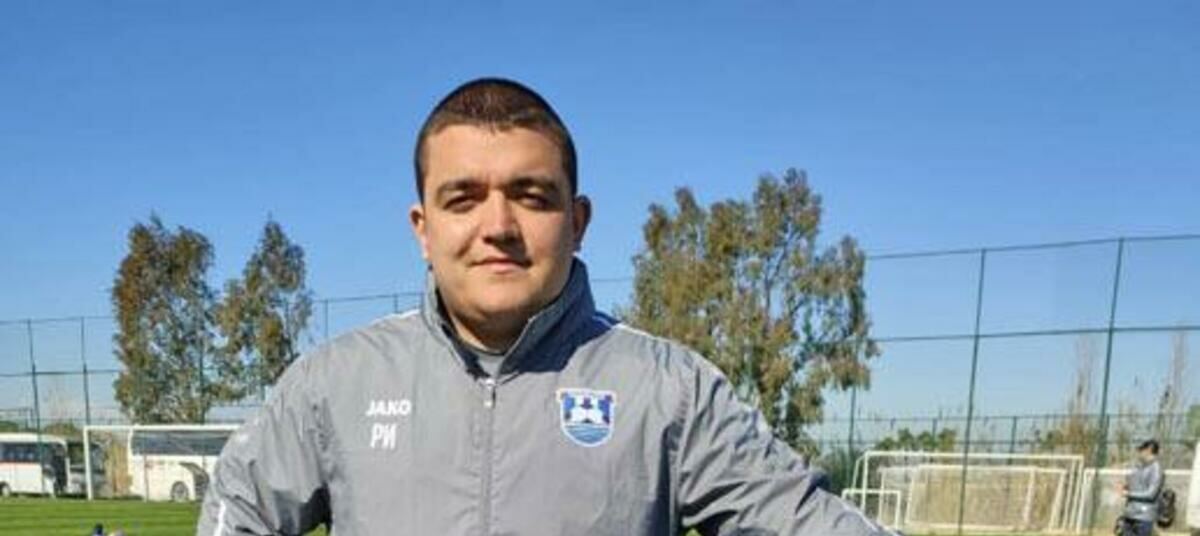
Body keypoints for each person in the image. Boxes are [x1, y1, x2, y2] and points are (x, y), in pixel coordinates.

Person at [196, 77, 893, 535]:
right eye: (463, 199)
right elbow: (239, 510)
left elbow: (802, 519)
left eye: (531, 197)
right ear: (423, 228)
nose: (498, 226)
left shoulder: (670, 391)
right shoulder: (335, 383)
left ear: (578, 221)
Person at [1119, 439, 1164, 536]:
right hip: (1130, 514)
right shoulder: (1140, 466)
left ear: (1149, 449)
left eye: (1141, 450)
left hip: (1143, 517)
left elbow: (1151, 494)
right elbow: (1137, 484)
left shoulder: (1156, 468)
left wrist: (1129, 494)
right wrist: (1127, 485)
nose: (1139, 452)